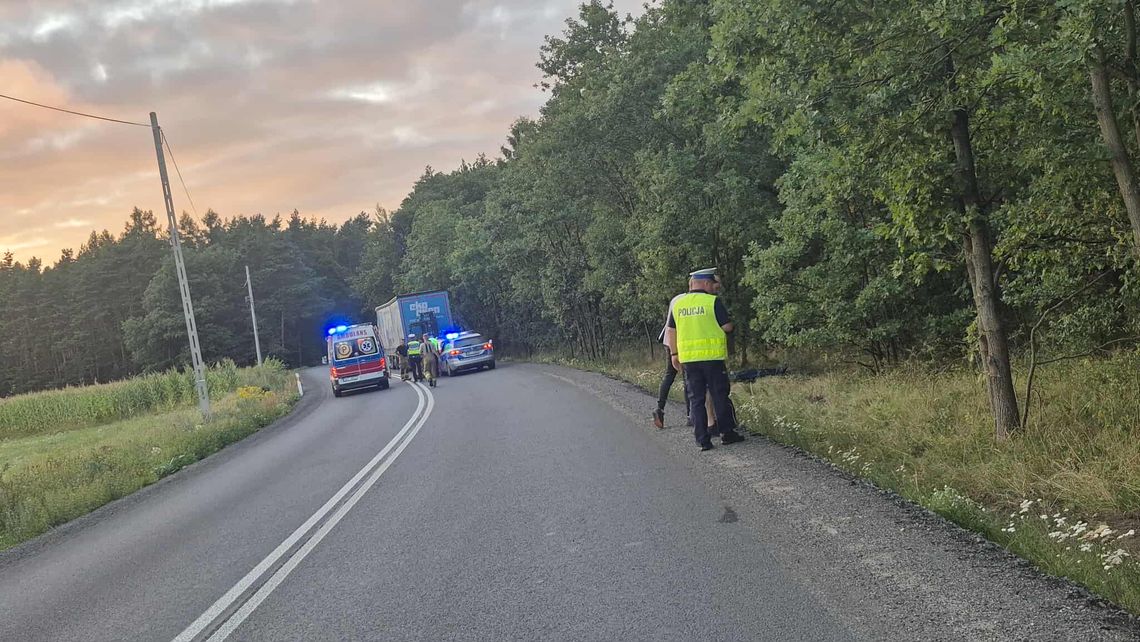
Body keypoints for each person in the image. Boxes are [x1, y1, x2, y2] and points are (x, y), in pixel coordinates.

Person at [665, 267, 745, 451]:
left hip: (689, 360)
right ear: (706, 283)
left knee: (696, 399)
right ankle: (727, 433)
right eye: (713, 284)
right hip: (712, 358)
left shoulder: (678, 305)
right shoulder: (712, 302)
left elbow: (671, 331)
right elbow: (727, 327)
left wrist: (674, 355)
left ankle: (703, 440)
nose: (714, 288)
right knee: (719, 396)